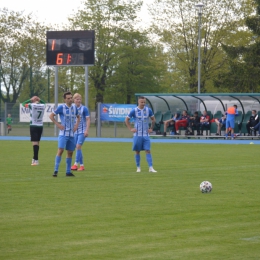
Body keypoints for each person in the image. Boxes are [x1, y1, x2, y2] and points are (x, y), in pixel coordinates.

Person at [49, 91, 80, 177]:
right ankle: (55, 171)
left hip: (71, 134)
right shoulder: (61, 107)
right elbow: (51, 116)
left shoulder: (74, 108)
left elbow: (78, 116)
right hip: (63, 133)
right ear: (65, 99)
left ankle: (68, 172)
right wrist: (58, 124)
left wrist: (76, 125)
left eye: (71, 98)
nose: (70, 100)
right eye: (68, 98)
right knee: (61, 150)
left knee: (70, 152)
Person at [125, 96, 157, 173]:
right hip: (137, 134)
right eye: (141, 102)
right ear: (138, 102)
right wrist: (130, 129)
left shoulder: (148, 110)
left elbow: (153, 119)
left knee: (148, 150)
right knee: (137, 151)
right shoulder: (134, 110)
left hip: (146, 134)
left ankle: (151, 167)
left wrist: (151, 128)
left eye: (144, 102)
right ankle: (138, 167)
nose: (143, 103)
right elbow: (126, 119)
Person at [22, 96, 46, 166]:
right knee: (37, 142)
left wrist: (30, 99)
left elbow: (23, 104)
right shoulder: (42, 105)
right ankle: (34, 158)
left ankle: (36, 159)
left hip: (33, 125)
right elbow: (44, 103)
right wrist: (40, 99)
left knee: (35, 143)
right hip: (40, 126)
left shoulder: (31, 105)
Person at [71, 93, 90, 171]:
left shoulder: (84, 109)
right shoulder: (71, 108)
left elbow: (88, 119)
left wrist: (87, 130)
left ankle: (75, 164)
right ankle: (82, 166)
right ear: (74, 100)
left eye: (79, 99)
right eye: (76, 99)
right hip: (75, 132)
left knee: (78, 146)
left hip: (82, 131)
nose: (78, 100)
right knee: (78, 148)